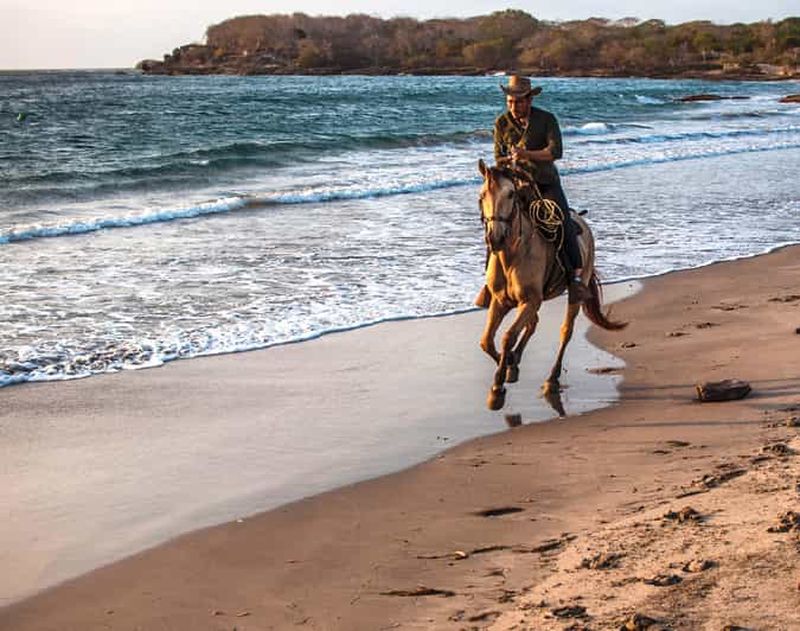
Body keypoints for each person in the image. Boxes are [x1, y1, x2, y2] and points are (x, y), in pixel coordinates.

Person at [479, 75, 587, 305]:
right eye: (509, 101)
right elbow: (498, 157)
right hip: (515, 185)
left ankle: (575, 278)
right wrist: (508, 162)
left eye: (517, 101)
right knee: (494, 223)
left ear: (529, 100)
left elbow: (555, 152)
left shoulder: (546, 120)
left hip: (545, 182)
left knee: (560, 222)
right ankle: (490, 283)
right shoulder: (502, 123)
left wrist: (527, 155)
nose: (513, 106)